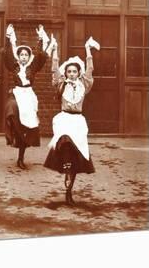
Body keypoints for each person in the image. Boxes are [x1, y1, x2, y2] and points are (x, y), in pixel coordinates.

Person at [44, 36, 99, 205]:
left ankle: (69, 188)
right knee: (65, 139)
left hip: (78, 120)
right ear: (66, 73)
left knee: (77, 153)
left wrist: (87, 49)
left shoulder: (84, 84)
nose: (72, 74)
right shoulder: (61, 84)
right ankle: (65, 164)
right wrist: (55, 50)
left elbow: (90, 69)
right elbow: (55, 70)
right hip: (64, 118)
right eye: (69, 71)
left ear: (79, 73)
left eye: (75, 71)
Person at [3, 23, 53, 169]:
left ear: (29, 57)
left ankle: (21, 157)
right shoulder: (14, 67)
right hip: (18, 92)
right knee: (11, 107)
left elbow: (41, 55)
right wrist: (8, 37)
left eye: (26, 55)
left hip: (28, 95)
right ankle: (12, 129)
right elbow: (7, 54)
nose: (24, 57)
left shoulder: (33, 67)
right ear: (18, 57)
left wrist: (41, 38)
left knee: (28, 123)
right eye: (21, 55)